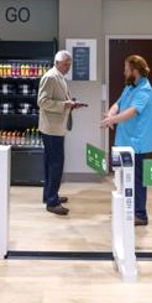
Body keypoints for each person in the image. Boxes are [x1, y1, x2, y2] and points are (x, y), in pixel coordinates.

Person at [101, 54, 152, 226]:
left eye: (126, 69)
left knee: (137, 180)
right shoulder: (130, 87)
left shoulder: (145, 90)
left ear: (135, 71)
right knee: (123, 179)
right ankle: (125, 209)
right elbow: (118, 104)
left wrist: (113, 120)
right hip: (123, 141)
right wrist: (111, 114)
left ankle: (140, 214)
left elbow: (132, 111)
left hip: (136, 143)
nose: (124, 72)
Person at [37, 50, 84, 215]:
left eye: (70, 64)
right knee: (56, 164)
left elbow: (59, 100)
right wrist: (65, 105)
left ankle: (50, 195)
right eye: (66, 64)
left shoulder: (59, 77)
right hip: (52, 128)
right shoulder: (50, 77)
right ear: (57, 63)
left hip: (55, 126)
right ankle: (52, 202)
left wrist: (71, 104)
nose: (68, 67)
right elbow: (42, 102)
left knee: (51, 163)